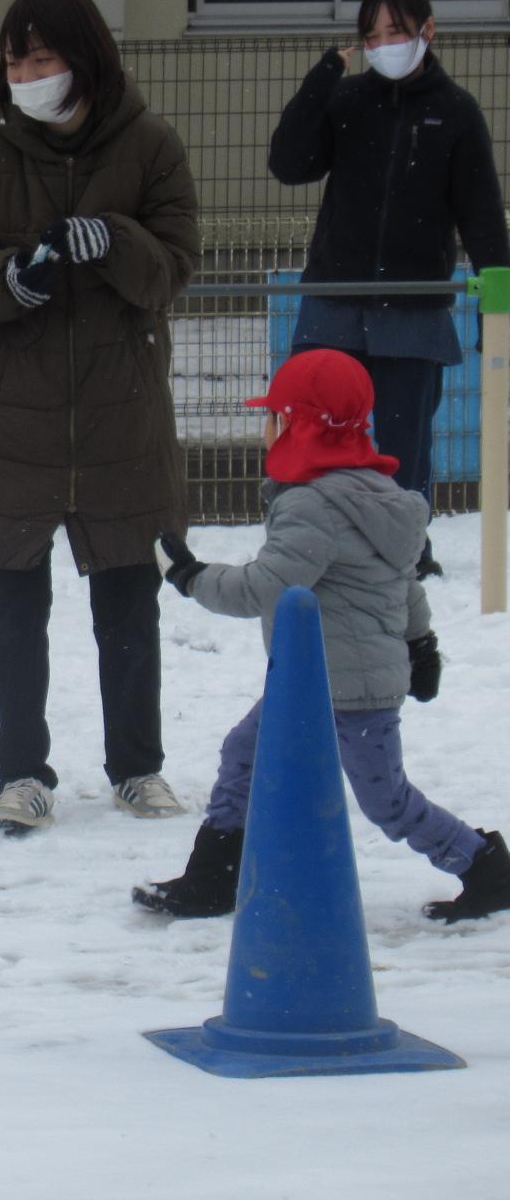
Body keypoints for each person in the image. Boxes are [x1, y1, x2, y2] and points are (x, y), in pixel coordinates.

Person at [0, 0, 199, 836]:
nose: (27, 73)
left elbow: (176, 266)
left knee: (127, 597)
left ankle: (138, 766)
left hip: (119, 410)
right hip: (11, 412)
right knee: (16, 603)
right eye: (14, 58)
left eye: (41, 56)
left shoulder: (149, 144)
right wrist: (9, 277)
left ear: (84, 57)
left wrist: (117, 241)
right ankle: (21, 771)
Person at [138, 350, 510, 924]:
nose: (265, 429)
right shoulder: (378, 495)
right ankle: (215, 877)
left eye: (272, 417)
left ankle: (485, 866)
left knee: (387, 802)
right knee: (244, 755)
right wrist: (420, 644)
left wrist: (189, 576)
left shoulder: (313, 505)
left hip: (346, 690)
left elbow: (267, 589)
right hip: (313, 681)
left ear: (293, 424)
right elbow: (402, 581)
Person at [267, 0, 509, 581]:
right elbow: (288, 163)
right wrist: (322, 79)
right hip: (334, 298)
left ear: (427, 31)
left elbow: (482, 216)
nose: (382, 44)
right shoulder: (346, 101)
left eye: (395, 31)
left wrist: (497, 306)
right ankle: (306, 541)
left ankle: (406, 550)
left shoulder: (455, 113)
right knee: (311, 431)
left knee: (404, 444)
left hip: (414, 305)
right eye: (371, 34)